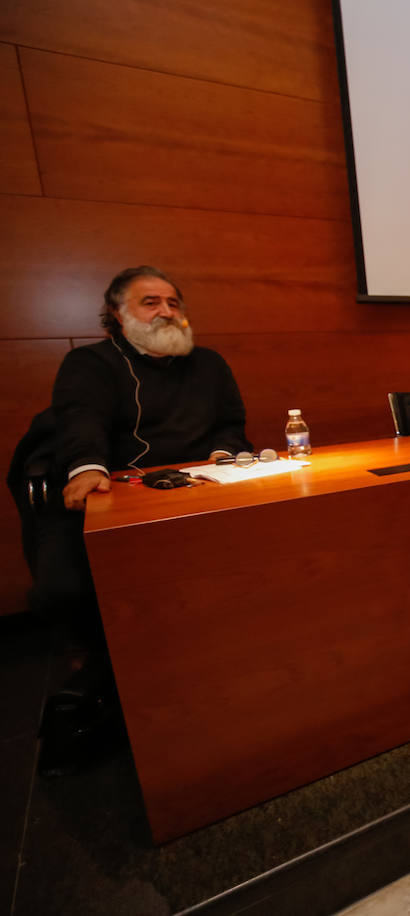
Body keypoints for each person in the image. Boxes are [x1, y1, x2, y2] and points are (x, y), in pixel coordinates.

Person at [34, 265, 252, 773]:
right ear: (117, 313)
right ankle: (118, 682)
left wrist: (224, 453)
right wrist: (87, 468)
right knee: (73, 584)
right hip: (127, 489)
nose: (166, 312)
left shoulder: (210, 363)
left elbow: (231, 423)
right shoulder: (90, 363)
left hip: (204, 488)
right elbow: (79, 418)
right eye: (150, 302)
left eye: (173, 303)